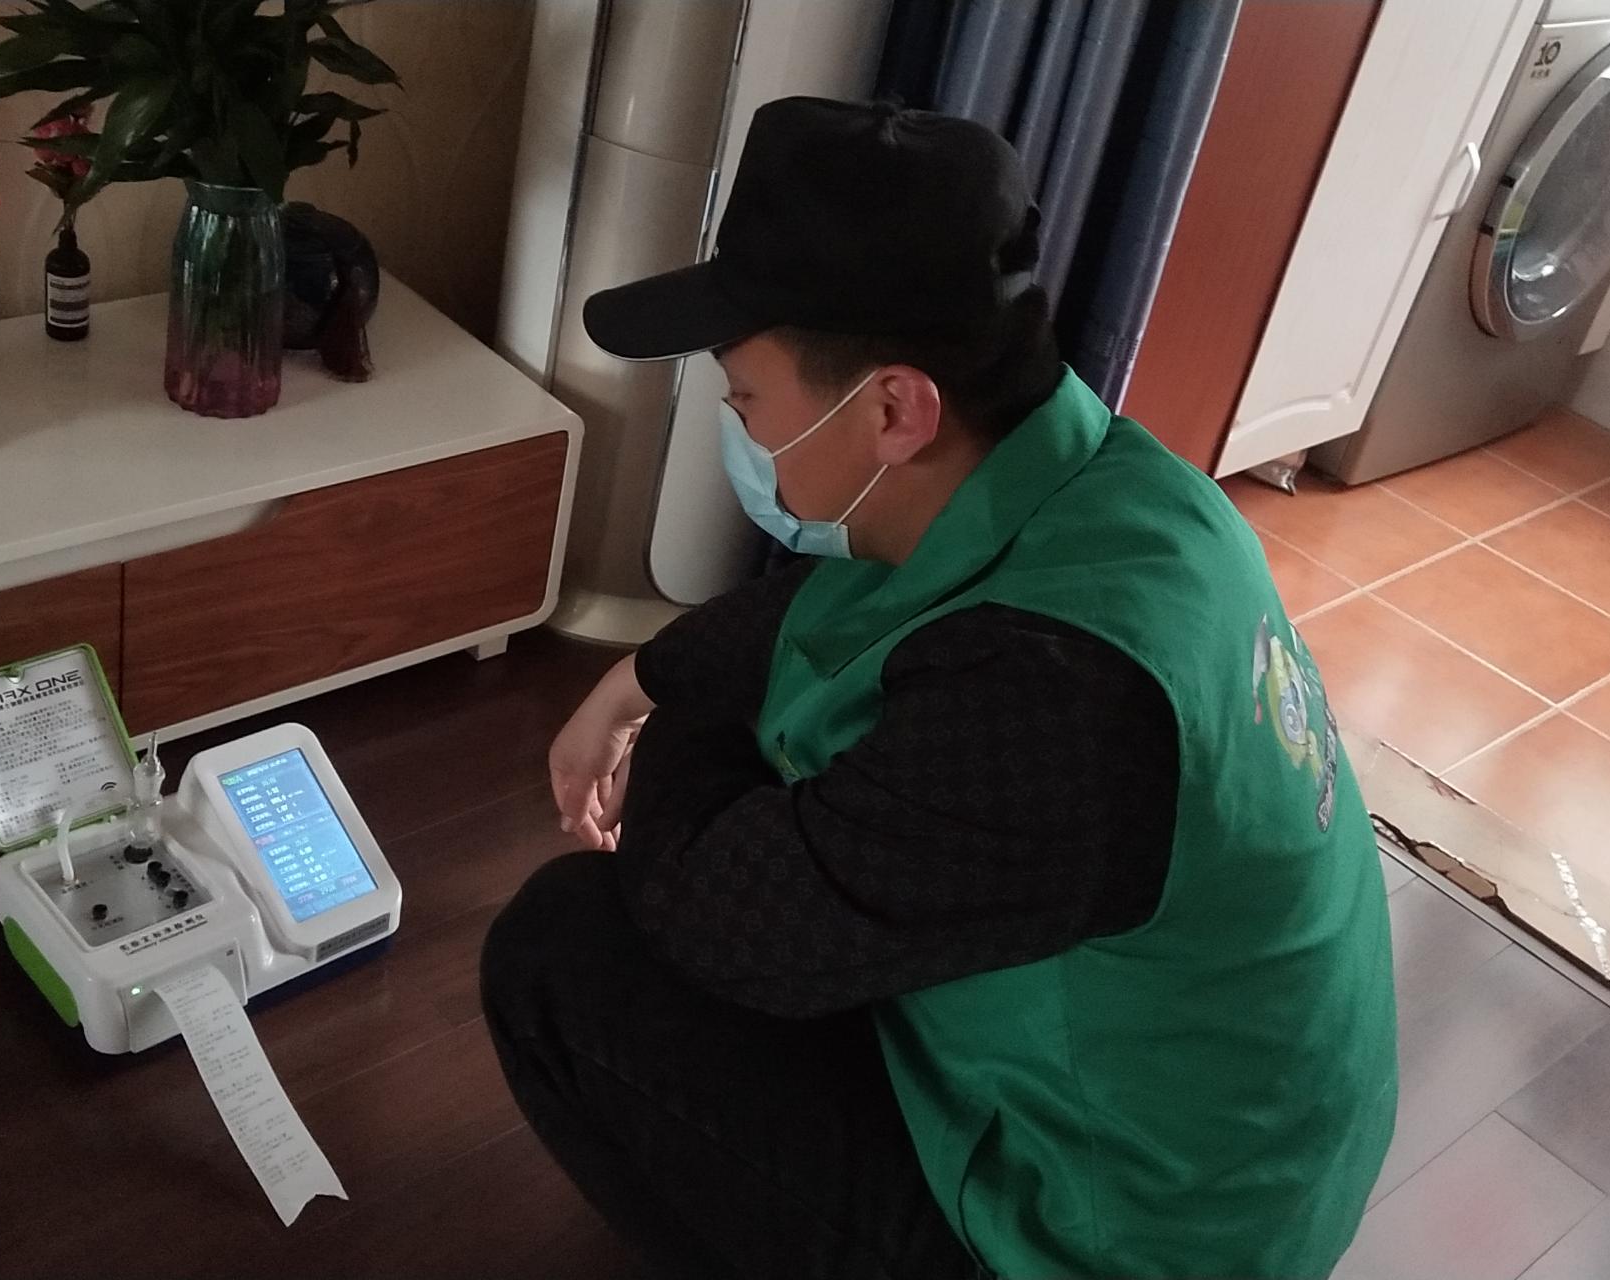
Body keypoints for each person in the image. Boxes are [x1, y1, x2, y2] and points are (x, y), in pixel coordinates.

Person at [480, 97, 1398, 1280]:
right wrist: (640, 672)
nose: (734, 421)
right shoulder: (1118, 490)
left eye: (745, 394)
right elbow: (850, 604)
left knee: (563, 950)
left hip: (1113, 1241)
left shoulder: (1056, 704)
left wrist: (674, 727)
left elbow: (717, 918)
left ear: (892, 408)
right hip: (1220, 1150)